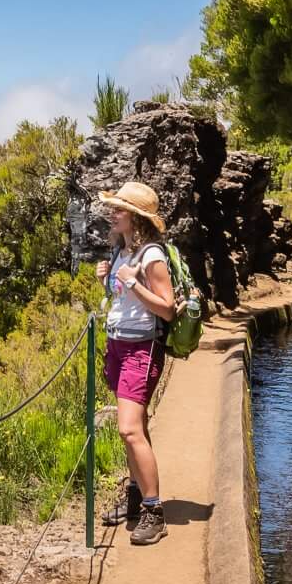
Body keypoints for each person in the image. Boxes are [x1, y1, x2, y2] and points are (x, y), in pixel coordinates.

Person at [94, 180, 175, 547]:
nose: (113, 213)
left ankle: (154, 512)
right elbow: (123, 302)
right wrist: (108, 281)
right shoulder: (122, 252)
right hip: (118, 345)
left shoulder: (152, 256)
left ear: (137, 217)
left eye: (120, 209)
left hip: (141, 349)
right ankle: (134, 496)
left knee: (129, 429)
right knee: (135, 425)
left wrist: (134, 282)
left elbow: (168, 309)